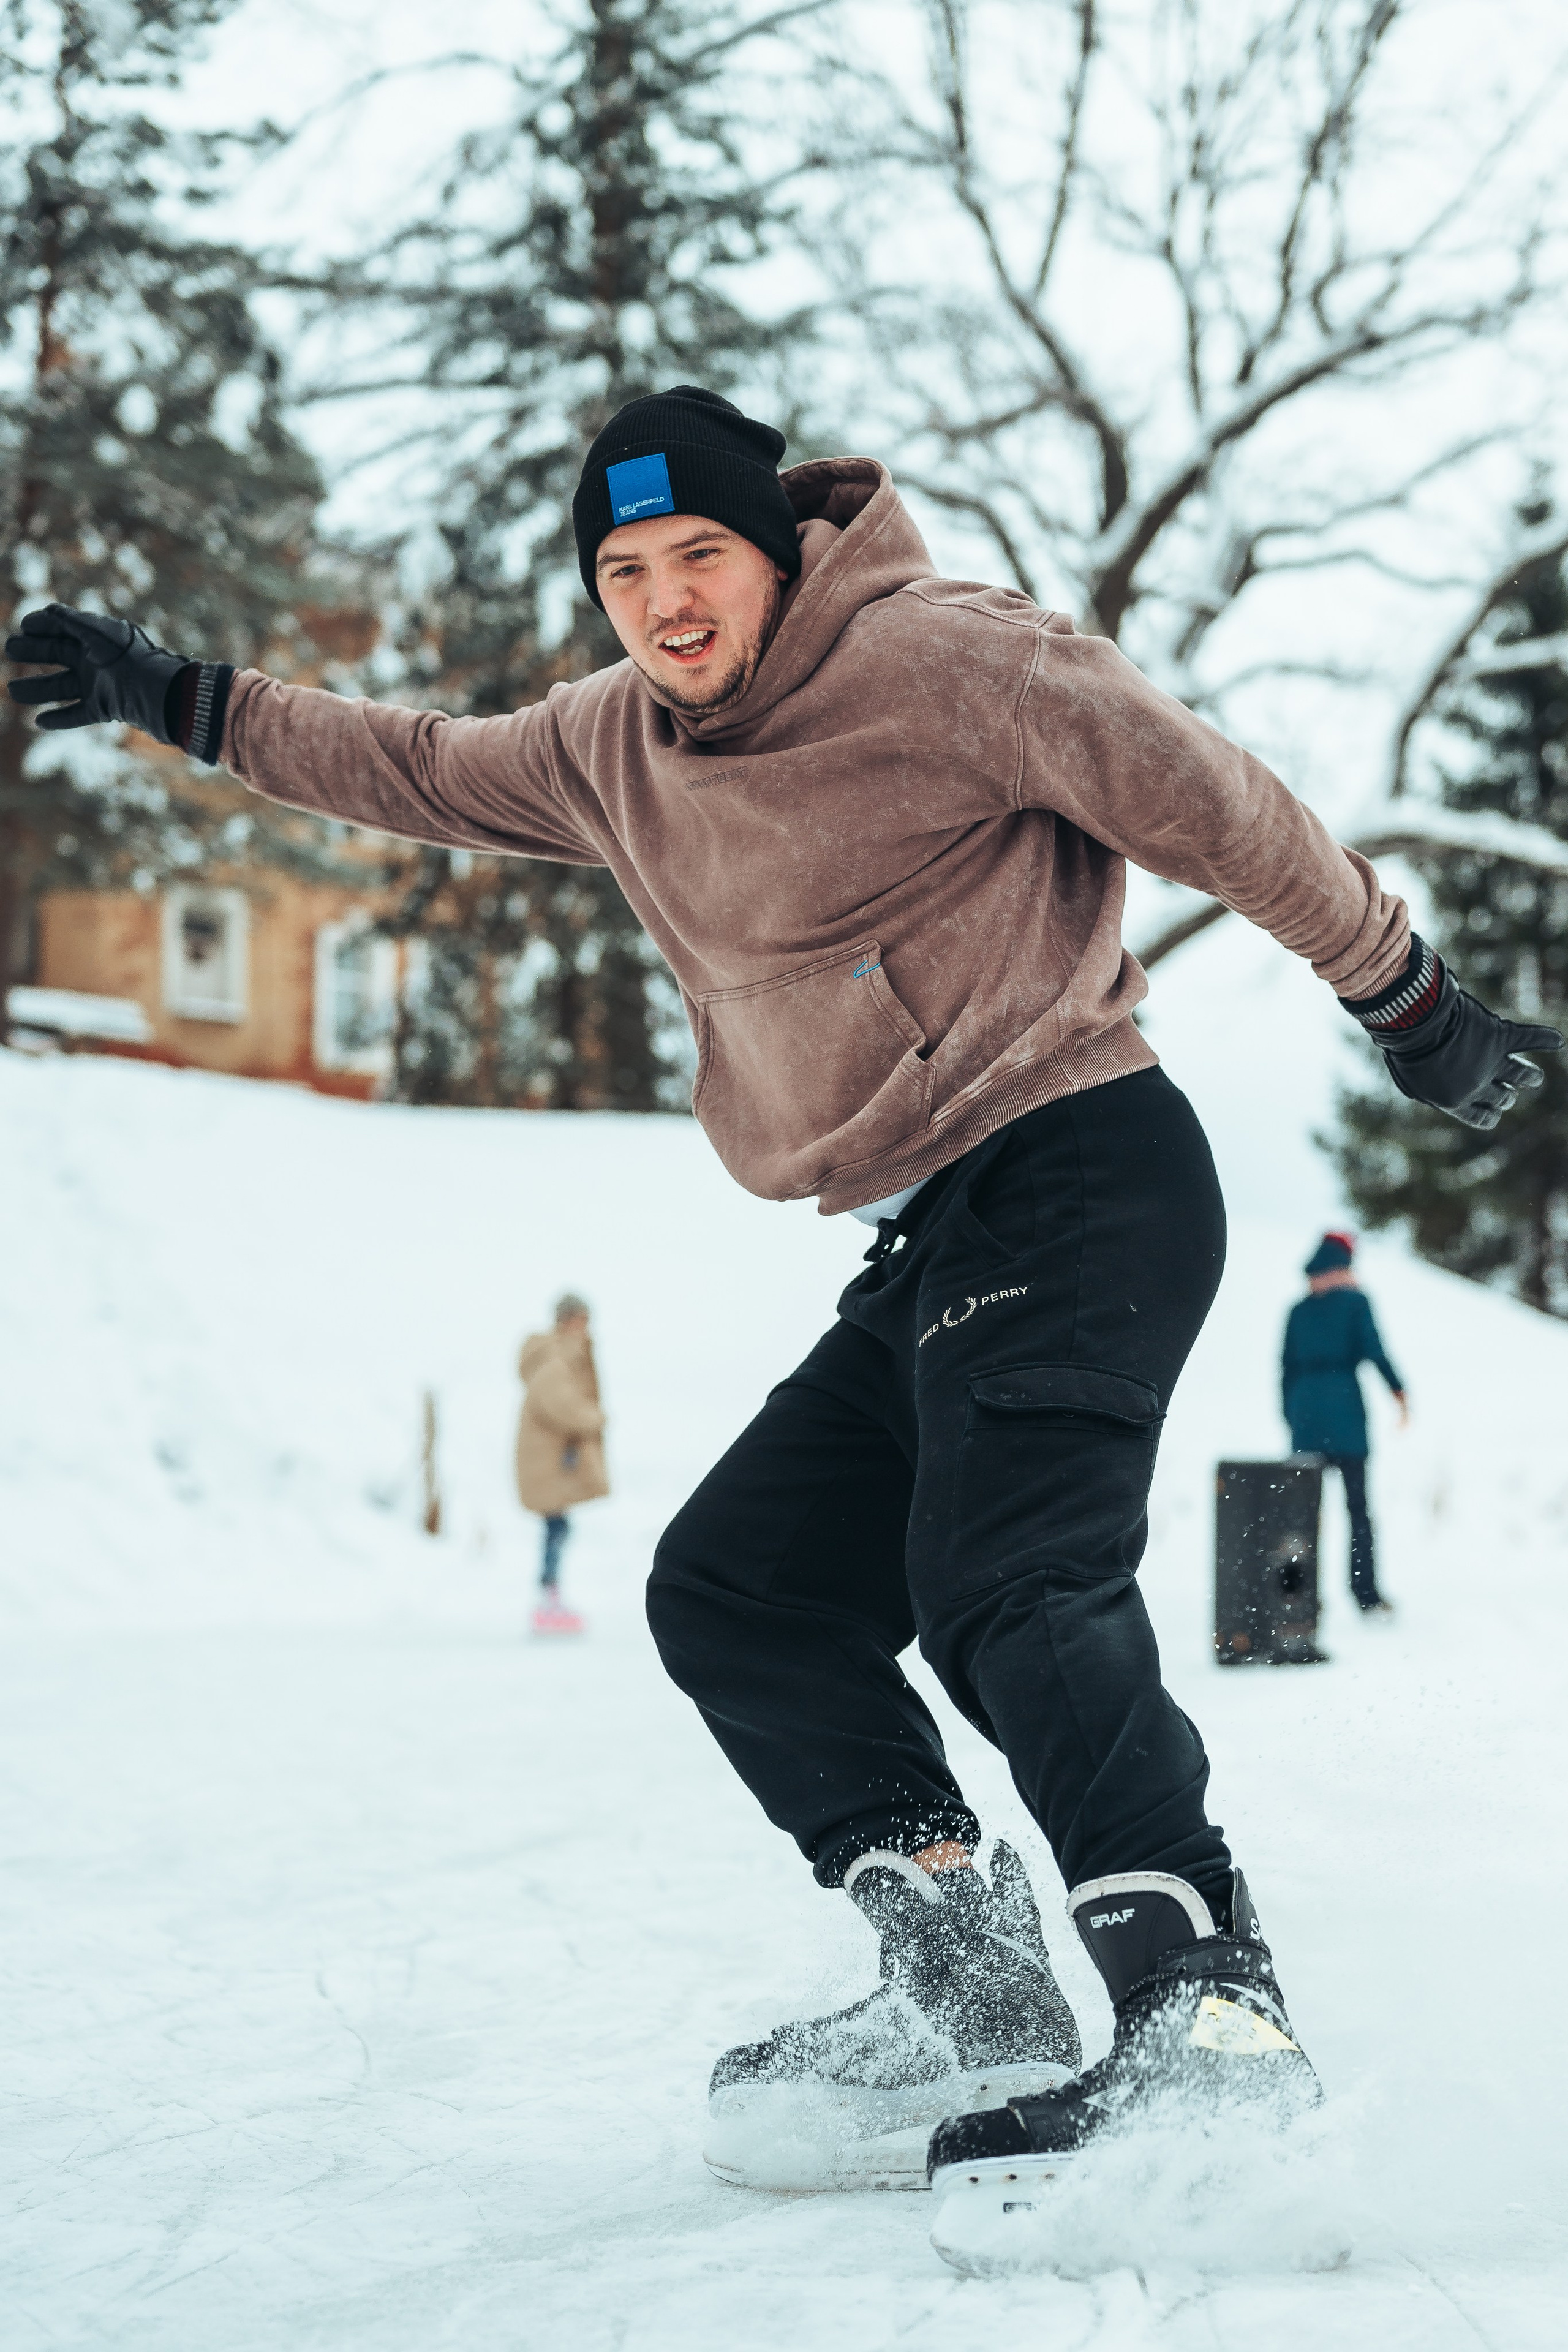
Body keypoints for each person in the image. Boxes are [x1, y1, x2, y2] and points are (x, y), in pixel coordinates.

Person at [7, 386, 1561, 2219]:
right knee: (739, 1586)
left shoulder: (949, 658)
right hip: (933, 1233)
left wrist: (1402, 995)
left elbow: (1211, 802)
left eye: (699, 556)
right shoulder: (609, 742)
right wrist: (184, 697)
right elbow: (415, 762)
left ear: (777, 550)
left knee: (1005, 1580)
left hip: (1081, 1166)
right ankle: (968, 1986)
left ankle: (1203, 2007)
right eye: (623, 571)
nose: (664, 603)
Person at [1283, 1233, 1406, 1617]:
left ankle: (1300, 1598)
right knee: (1358, 1510)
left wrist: (1292, 1415)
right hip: (1347, 1416)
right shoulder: (1356, 1302)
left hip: (1305, 1417)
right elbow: (1375, 1350)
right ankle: (1365, 1594)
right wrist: (1398, 1391)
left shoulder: (1298, 1311)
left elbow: (1285, 1369)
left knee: (1302, 1514)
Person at [516, 1292, 608, 1636]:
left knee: (558, 1526)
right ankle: (548, 1599)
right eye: (581, 1321)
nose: (586, 1328)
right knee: (557, 1527)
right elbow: (558, 1402)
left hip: (555, 1457)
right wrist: (594, 1418)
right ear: (568, 1320)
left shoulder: (562, 1352)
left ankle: (551, 1595)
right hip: (550, 1459)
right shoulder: (556, 1354)